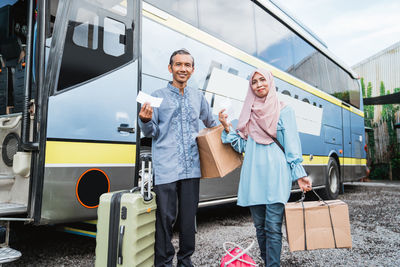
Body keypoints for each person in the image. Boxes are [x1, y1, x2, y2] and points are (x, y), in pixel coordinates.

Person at [218, 68, 312, 267]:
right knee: (260, 228)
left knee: (272, 226)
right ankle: (267, 262)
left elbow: (293, 146)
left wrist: (300, 175)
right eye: (254, 82)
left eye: (262, 80)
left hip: (276, 175)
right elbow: (244, 145)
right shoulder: (249, 112)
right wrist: (227, 128)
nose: (259, 84)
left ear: (270, 82)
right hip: (254, 176)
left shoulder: (285, 110)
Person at [138, 49, 217, 267]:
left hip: (192, 167)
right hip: (166, 167)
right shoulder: (157, 96)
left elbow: (211, 123)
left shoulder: (197, 96)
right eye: (178, 64)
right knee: (164, 219)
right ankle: (163, 263)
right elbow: (150, 132)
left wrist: (226, 125)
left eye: (187, 65)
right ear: (170, 68)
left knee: (188, 219)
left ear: (193, 70)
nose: (183, 68)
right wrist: (144, 120)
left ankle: (185, 261)